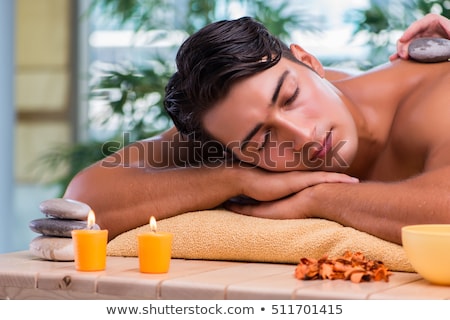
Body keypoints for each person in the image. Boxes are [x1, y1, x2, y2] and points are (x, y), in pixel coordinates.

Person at [64, 14, 450, 245]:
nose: (301, 136)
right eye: (262, 140)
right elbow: (86, 199)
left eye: (290, 97)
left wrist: (321, 200)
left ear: (309, 61)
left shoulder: (438, 93)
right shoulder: (230, 136)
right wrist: (232, 180)